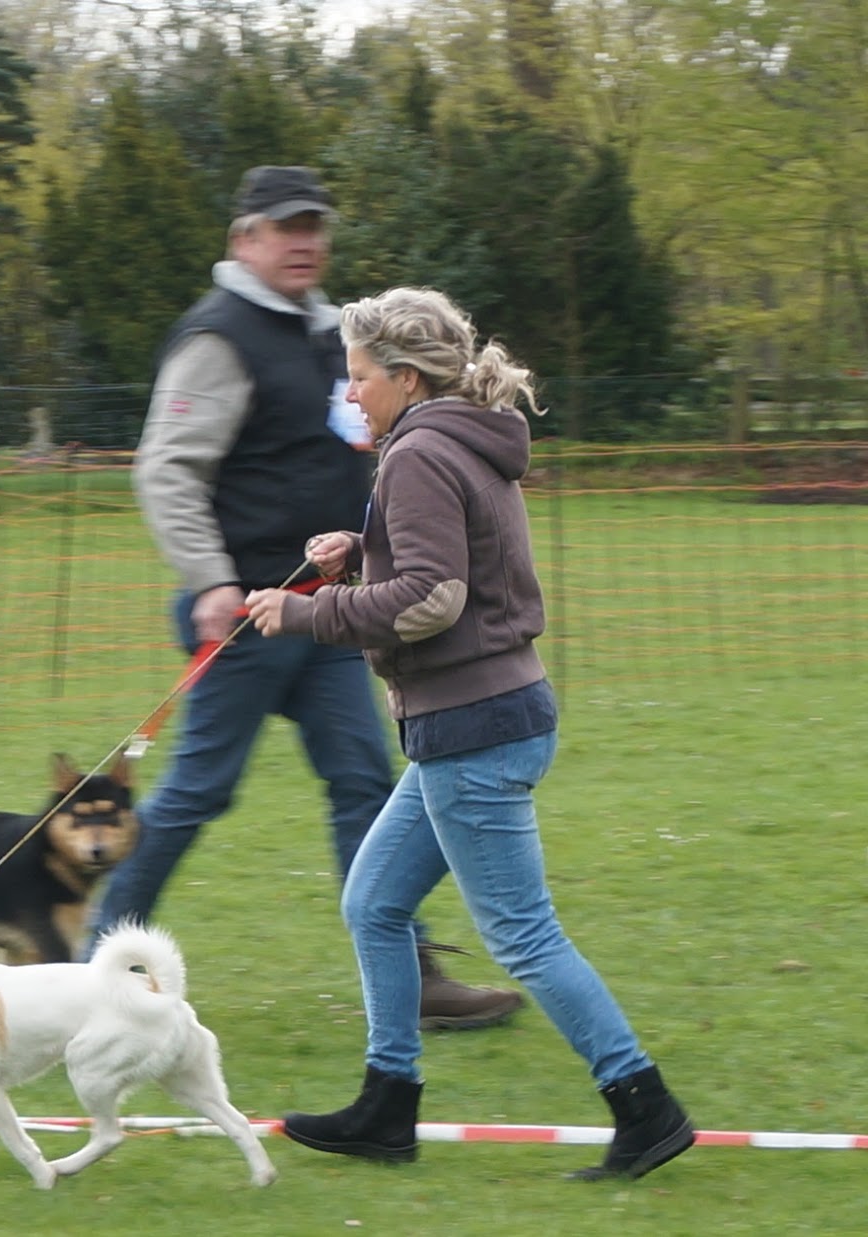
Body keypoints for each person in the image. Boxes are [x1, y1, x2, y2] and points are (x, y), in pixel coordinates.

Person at [245, 286, 694, 1180]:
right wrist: (361, 551)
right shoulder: (456, 439)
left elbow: (434, 598)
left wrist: (308, 613)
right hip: (483, 715)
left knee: (523, 936)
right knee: (374, 903)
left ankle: (645, 1107)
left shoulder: (418, 454)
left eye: (360, 376)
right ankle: (389, 1103)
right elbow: (453, 566)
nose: (351, 393)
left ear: (407, 378)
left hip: (471, 726)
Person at [85, 167, 522, 1031]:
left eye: (315, 224)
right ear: (244, 238)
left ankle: (410, 974)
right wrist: (211, 579)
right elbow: (167, 469)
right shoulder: (217, 338)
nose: (305, 241)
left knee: (363, 781)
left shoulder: (335, 334)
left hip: (330, 613)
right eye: (286, 226)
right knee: (196, 792)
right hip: (247, 615)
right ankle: (94, 965)